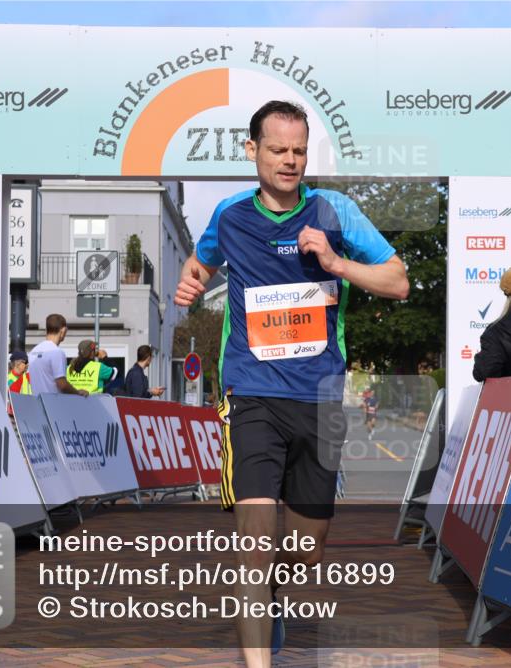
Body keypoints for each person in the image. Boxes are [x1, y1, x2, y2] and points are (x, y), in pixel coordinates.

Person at [173, 100, 409, 665]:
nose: (290, 160)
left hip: (319, 398)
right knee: (253, 545)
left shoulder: (336, 211)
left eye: (299, 150)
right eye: (277, 149)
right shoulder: (230, 214)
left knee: (307, 549)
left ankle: (274, 598)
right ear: (251, 150)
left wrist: (337, 262)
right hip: (251, 394)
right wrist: (189, 281)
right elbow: (200, 265)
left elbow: (399, 281)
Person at [28, 314, 88, 396]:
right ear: (63, 331)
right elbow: (62, 384)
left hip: (38, 403)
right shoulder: (57, 352)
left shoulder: (33, 352)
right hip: (54, 404)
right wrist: (77, 392)